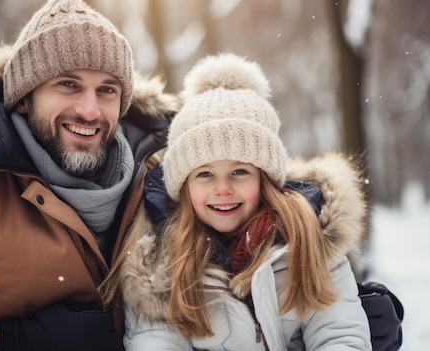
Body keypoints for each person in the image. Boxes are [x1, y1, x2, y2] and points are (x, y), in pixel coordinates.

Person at [0, 0, 178, 350]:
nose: (89, 110)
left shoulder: (159, 182)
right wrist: (19, 343)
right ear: (24, 98)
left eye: (106, 89)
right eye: (68, 84)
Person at [102, 53, 373, 350]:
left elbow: (340, 336)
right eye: (205, 174)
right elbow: (155, 342)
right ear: (183, 185)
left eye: (239, 171)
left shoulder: (309, 240)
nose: (223, 188)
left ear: (264, 179)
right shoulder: (159, 263)